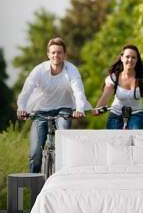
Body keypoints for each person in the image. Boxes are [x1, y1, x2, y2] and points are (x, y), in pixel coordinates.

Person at [17, 37, 91, 173]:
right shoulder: (39, 70)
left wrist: (79, 109)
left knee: (63, 142)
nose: (56, 55)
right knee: (35, 153)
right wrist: (21, 108)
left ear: (64, 55)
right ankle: (34, 186)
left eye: (59, 52)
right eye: (53, 52)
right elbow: (26, 91)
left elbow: (78, 91)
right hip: (41, 111)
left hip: (63, 109)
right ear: (48, 54)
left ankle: (64, 176)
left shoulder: (71, 70)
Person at [92, 44, 143, 129]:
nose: (130, 60)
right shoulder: (114, 78)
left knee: (136, 132)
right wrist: (97, 109)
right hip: (116, 113)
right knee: (113, 137)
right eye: (127, 57)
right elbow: (105, 96)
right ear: (122, 58)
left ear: (137, 60)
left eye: (133, 57)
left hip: (137, 114)